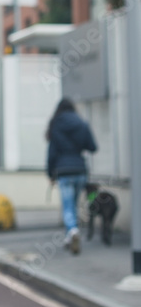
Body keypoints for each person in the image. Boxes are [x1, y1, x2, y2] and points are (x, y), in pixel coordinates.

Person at [45, 97, 98, 255]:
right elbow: (93, 147)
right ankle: (70, 236)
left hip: (64, 171)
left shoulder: (56, 125)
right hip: (80, 170)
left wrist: (50, 173)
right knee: (73, 205)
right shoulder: (82, 124)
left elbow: (51, 153)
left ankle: (73, 231)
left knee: (67, 206)